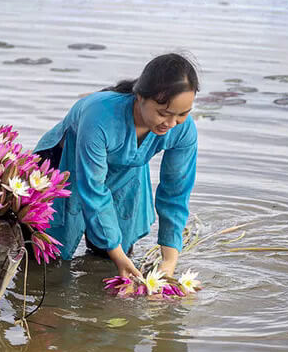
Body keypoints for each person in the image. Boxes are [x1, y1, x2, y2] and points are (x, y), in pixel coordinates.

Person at [33, 52, 199, 281]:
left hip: (126, 167)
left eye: (182, 114)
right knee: (50, 256)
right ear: (140, 97)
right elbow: (92, 187)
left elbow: (176, 191)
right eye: (163, 113)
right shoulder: (99, 117)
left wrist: (169, 260)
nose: (171, 123)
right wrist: (118, 256)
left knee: (109, 255)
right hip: (67, 162)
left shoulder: (183, 129)